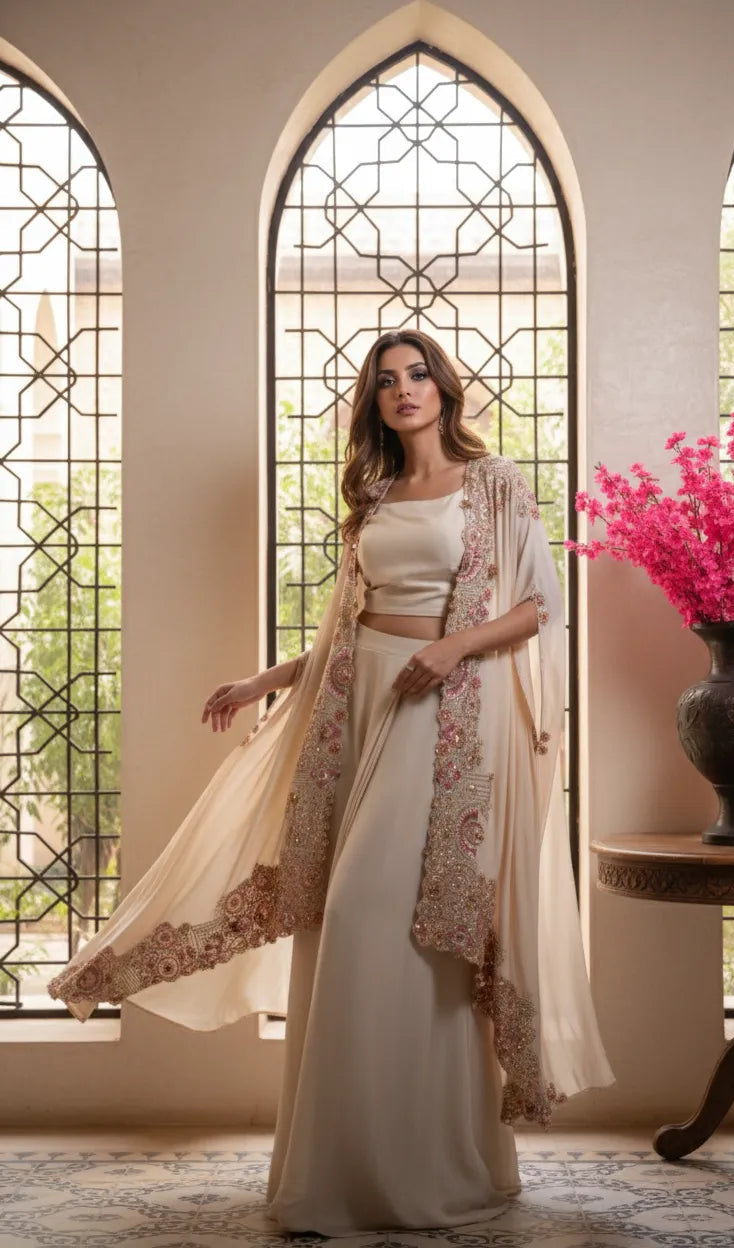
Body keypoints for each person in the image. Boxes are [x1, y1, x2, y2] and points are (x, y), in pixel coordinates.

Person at [47, 329, 616, 1236]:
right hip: (357, 707)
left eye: (418, 374)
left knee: (384, 918)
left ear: (444, 388)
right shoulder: (375, 498)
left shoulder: (494, 481)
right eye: (386, 380)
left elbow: (539, 606)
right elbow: (348, 628)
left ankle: (437, 1165)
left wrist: (453, 649)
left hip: (445, 714)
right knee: (346, 927)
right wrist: (264, 682)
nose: (404, 390)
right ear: (375, 402)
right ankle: (342, 1172)